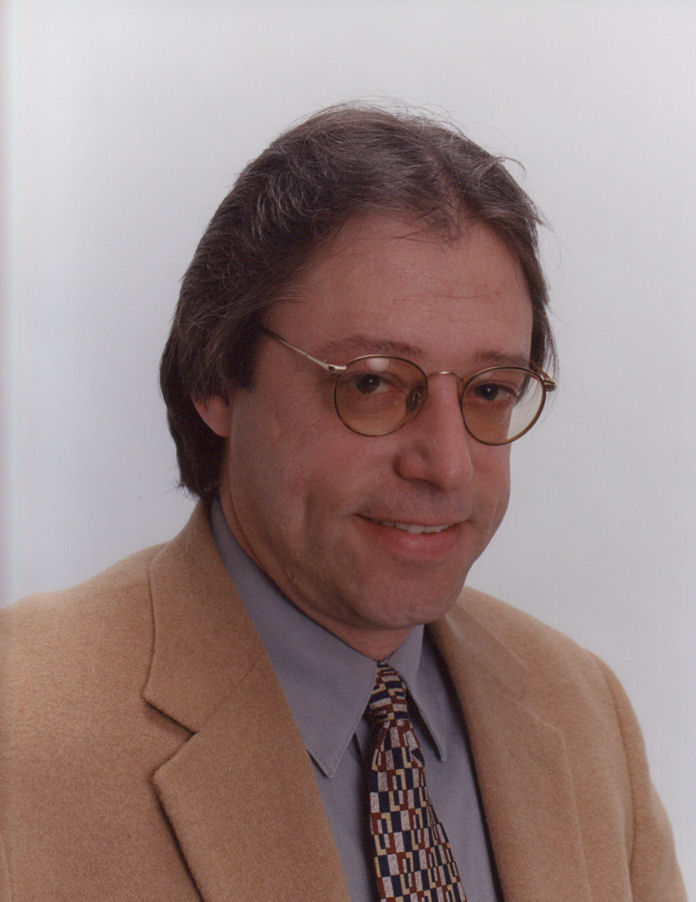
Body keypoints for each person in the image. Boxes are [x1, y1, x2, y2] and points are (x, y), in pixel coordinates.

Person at [0, 105, 685, 902]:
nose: (447, 465)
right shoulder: (20, 726)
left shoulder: (585, 713)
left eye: (490, 391)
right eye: (371, 383)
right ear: (215, 378)